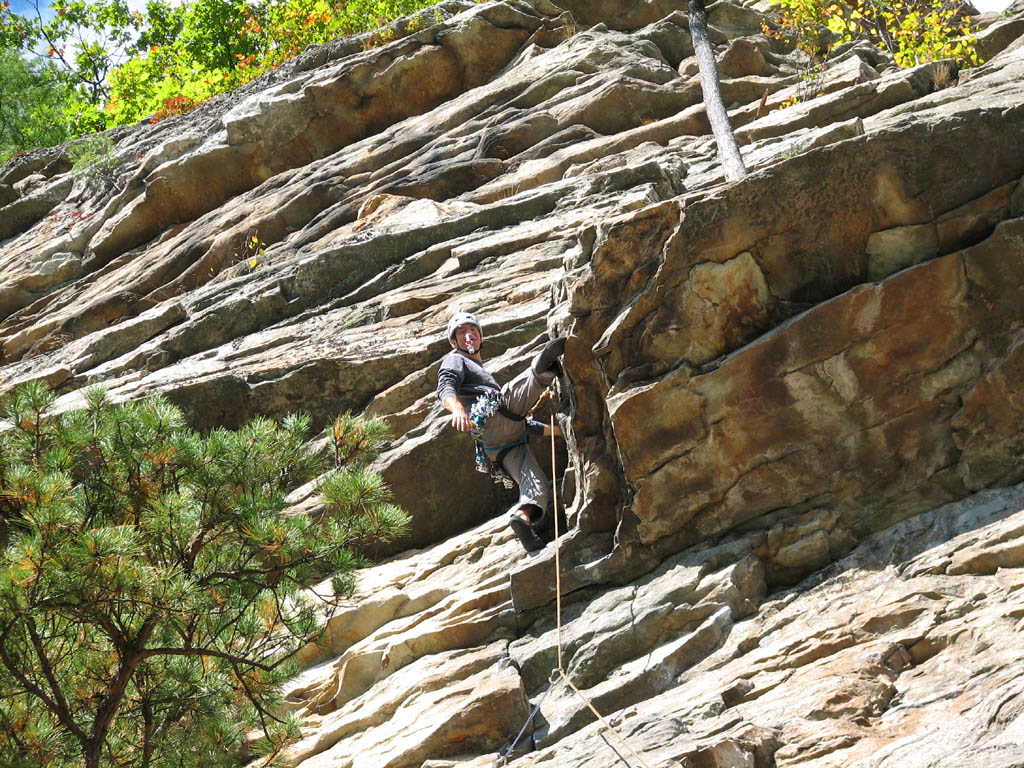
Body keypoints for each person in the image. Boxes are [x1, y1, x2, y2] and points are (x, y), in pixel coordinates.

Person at [437, 312, 566, 552]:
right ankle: (544, 369)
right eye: (462, 332)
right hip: (490, 418)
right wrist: (457, 410)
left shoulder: (478, 369)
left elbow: (519, 424)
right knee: (504, 399)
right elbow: (446, 386)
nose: (469, 335)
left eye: (473, 330)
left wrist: (563, 432)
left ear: (480, 336)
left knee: (536, 484)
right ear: (454, 342)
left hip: (500, 445)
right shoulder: (455, 360)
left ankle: (523, 518)